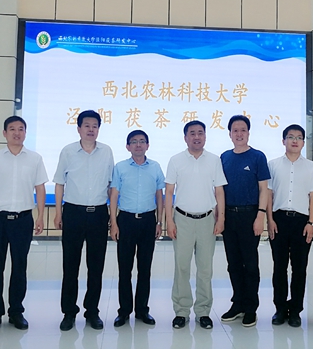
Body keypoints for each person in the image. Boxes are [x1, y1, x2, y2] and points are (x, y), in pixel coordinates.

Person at [0, 116, 48, 334]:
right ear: (4, 133)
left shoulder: (35, 159)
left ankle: (16, 311)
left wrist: (40, 216)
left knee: (19, 267)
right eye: (12, 129)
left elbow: (40, 189)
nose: (17, 133)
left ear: (25, 133)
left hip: (23, 220)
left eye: (21, 129)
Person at [53, 110, 114, 331]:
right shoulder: (68, 151)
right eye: (87, 125)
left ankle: (92, 312)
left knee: (96, 266)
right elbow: (59, 183)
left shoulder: (106, 152)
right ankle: (69, 312)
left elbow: (111, 186)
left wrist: (112, 216)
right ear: (78, 128)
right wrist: (58, 213)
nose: (91, 129)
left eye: (95, 126)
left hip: (98, 213)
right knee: (70, 265)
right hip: (73, 212)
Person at [164, 120, 227, 330]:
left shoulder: (214, 160)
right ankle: (181, 311)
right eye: (192, 133)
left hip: (207, 220)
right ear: (186, 137)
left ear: (205, 136)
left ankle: (203, 311)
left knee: (205, 269)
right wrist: (169, 221)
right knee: (182, 267)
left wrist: (221, 218)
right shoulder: (176, 160)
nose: (197, 137)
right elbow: (169, 192)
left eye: (200, 133)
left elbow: (219, 191)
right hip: (182, 219)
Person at [267, 124, 313, 328]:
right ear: (283, 141)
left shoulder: (311, 167)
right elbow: (269, 195)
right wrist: (270, 220)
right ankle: (280, 309)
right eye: (290, 137)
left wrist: (311, 223)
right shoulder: (273, 165)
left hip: (302, 222)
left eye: (299, 137)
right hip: (278, 220)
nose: (295, 140)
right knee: (279, 267)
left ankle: (296, 310)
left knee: (300, 268)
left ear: (303, 142)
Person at [109, 130, 165, 327]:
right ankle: (124, 311)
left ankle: (142, 310)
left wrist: (159, 222)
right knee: (125, 269)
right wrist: (114, 223)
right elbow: (114, 196)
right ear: (128, 147)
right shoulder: (120, 167)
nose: (138, 145)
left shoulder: (155, 167)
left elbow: (159, 196)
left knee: (145, 268)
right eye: (134, 142)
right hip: (125, 220)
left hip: (148, 221)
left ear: (148, 145)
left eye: (142, 141)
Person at [219, 115, 270, 327]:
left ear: (248, 133)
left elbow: (264, 189)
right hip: (229, 216)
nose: (239, 134)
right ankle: (237, 303)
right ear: (230, 134)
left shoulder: (258, 157)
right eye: (235, 130)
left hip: (250, 215)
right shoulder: (224, 157)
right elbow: (219, 190)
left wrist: (260, 216)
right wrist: (220, 216)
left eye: (243, 130)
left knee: (250, 263)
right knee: (233, 263)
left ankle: (251, 307)